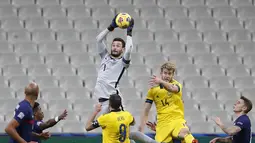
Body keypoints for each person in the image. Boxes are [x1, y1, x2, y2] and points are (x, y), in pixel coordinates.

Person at [94, 15, 158, 143]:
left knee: (123, 135)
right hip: (104, 102)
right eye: (113, 45)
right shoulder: (105, 56)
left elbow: (129, 49)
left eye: (118, 46)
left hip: (113, 100)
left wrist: (129, 32)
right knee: (120, 134)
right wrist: (110, 27)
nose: (115, 47)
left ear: (122, 49)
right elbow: (98, 40)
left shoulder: (122, 62)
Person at [139, 62, 198, 143]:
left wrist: (160, 81)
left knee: (185, 132)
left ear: (173, 74)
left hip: (177, 120)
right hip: (163, 123)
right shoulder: (153, 91)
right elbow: (146, 110)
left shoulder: (177, 85)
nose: (167, 76)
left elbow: (172, 89)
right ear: (161, 73)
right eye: (165, 73)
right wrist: (141, 128)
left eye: (169, 73)